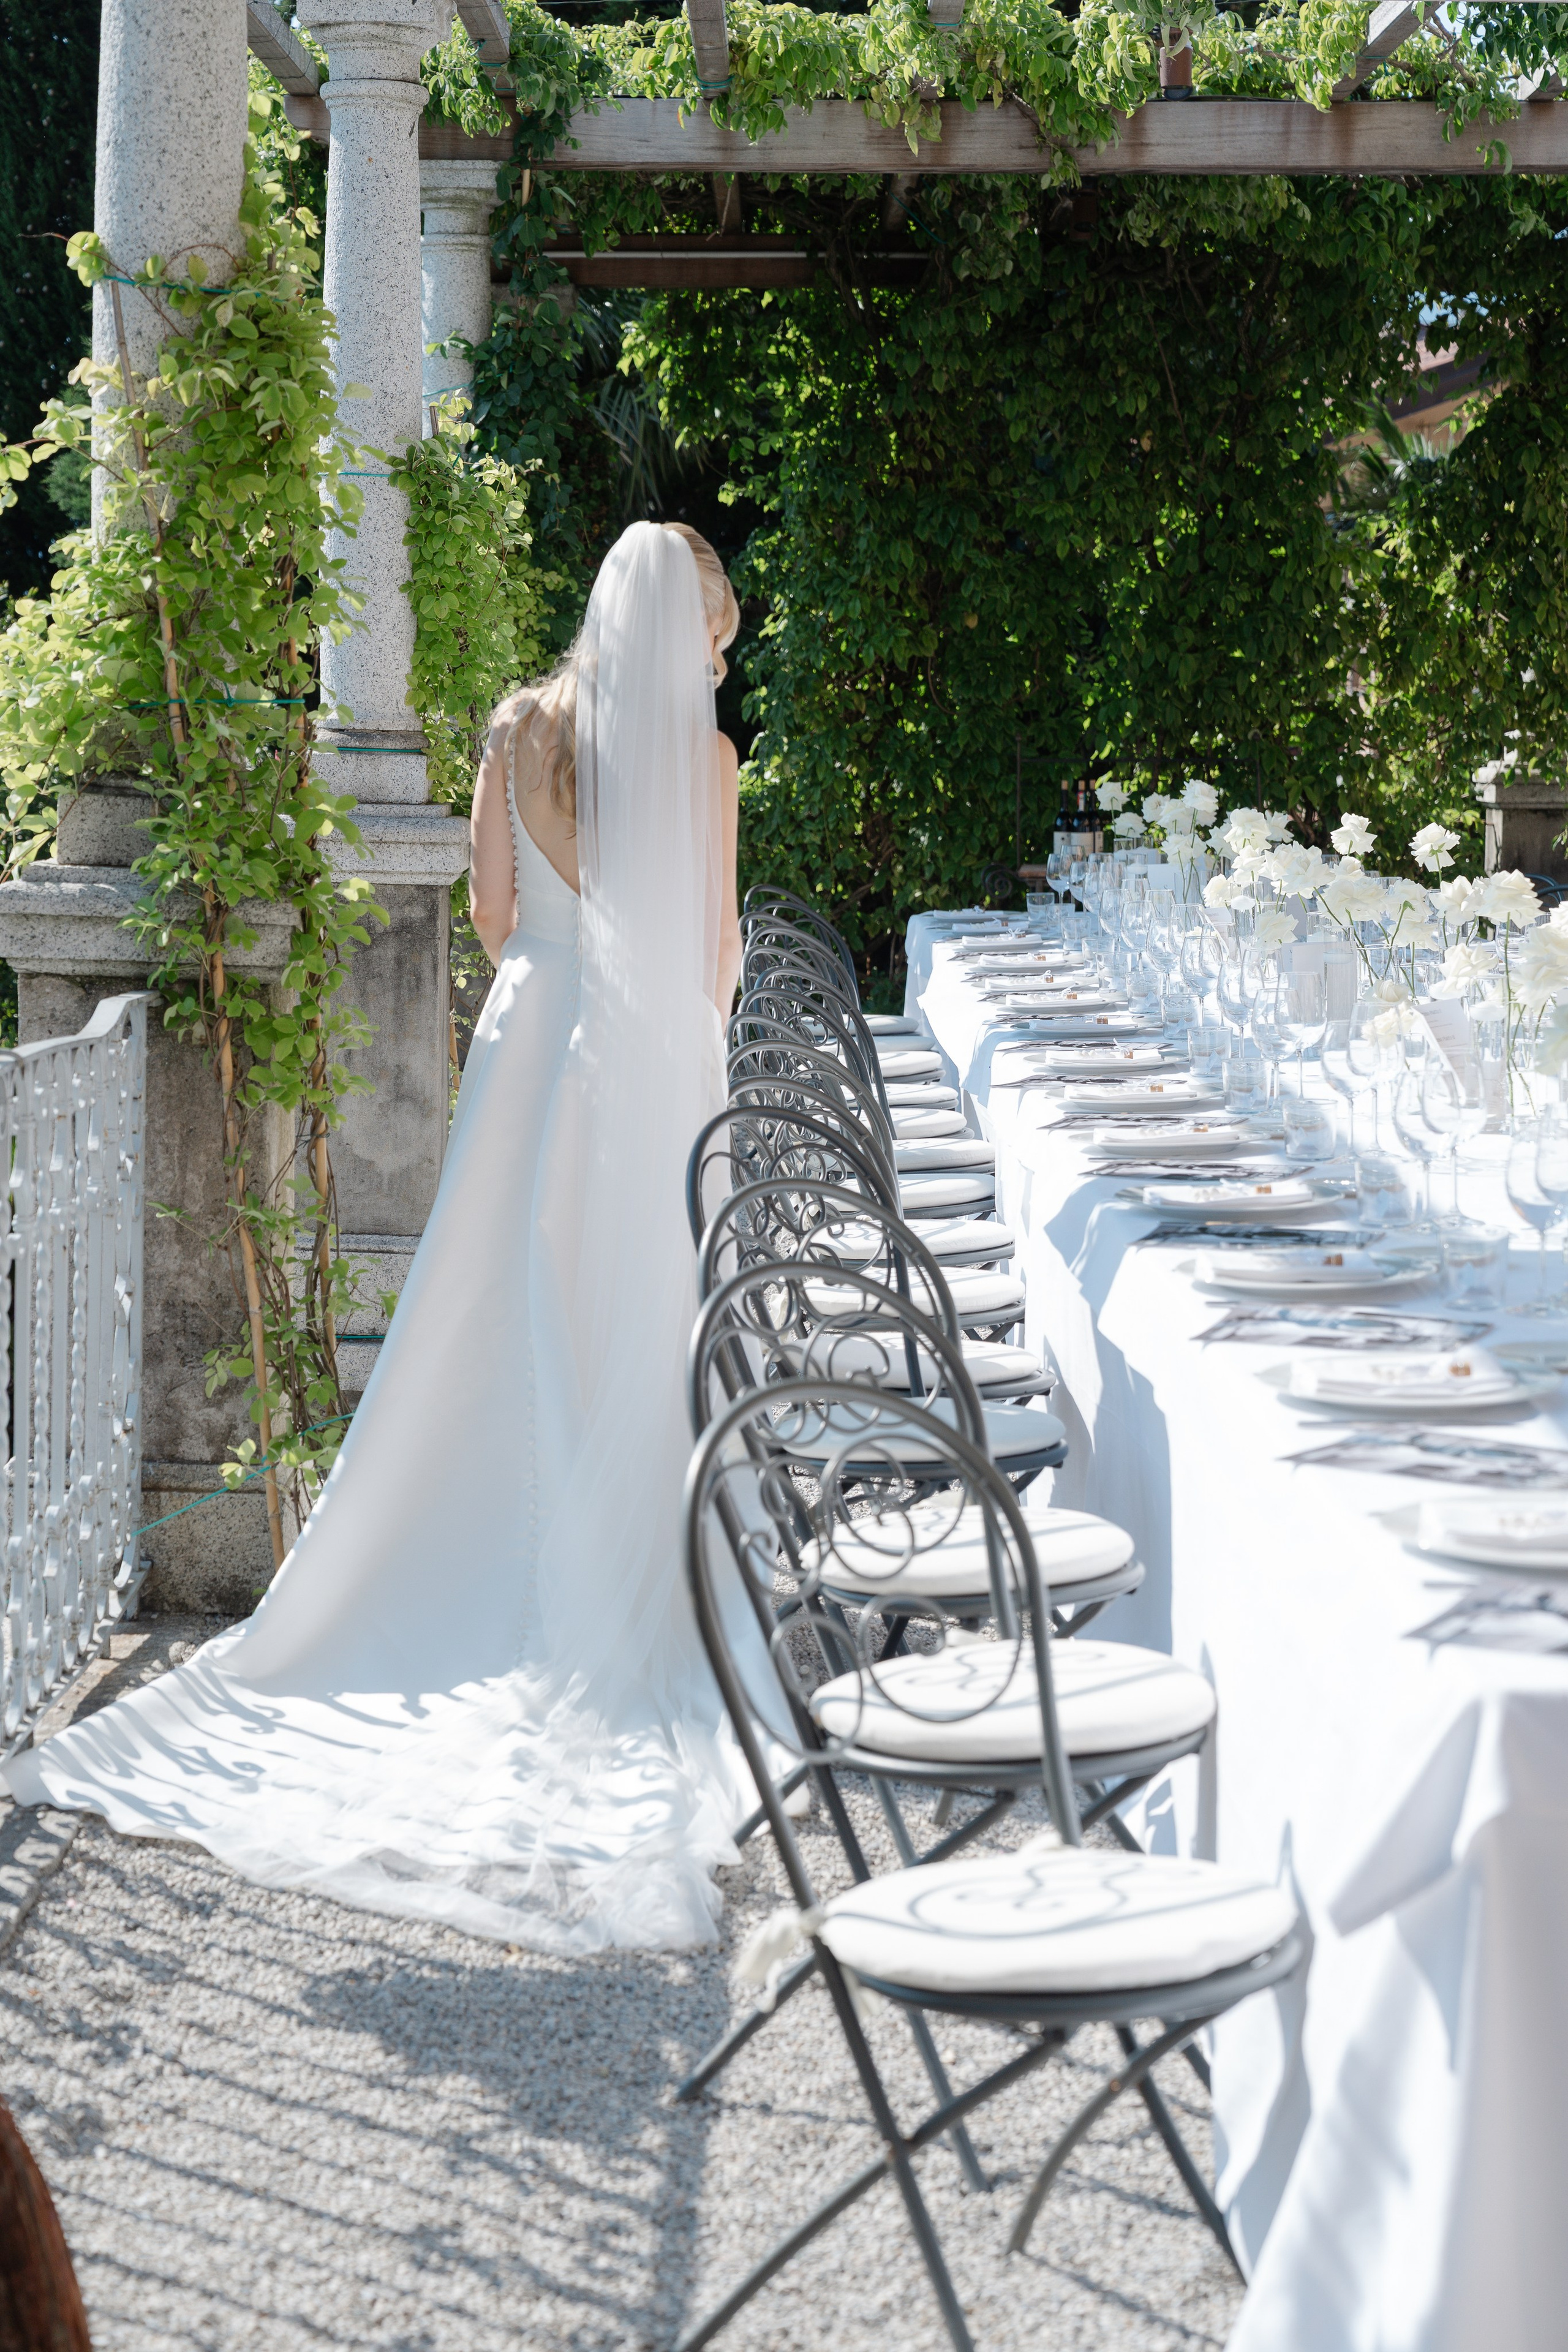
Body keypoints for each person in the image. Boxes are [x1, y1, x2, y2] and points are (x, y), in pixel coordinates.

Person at [3, 521, 766, 1955]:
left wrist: (549, 971)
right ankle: (615, 1578)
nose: (714, 661)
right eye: (713, 639)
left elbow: (487, 913)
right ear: (692, 635)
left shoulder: (515, 727)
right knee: (627, 1317)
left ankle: (444, 1557)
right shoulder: (703, 763)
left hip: (530, 1028)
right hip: (649, 1047)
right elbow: (715, 952)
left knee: (484, 1309)